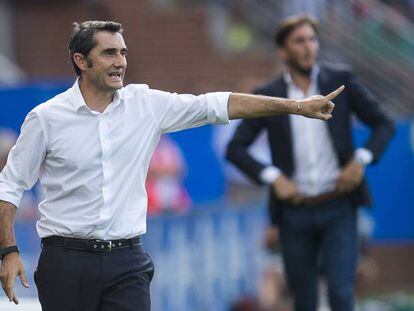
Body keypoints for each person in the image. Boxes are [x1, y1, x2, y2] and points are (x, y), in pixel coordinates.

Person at [0, 20, 342, 311]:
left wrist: (295, 106)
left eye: (123, 53)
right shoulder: (46, 118)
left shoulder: (146, 104)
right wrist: (9, 250)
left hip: (127, 261)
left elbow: (218, 104)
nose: (120, 61)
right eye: (109, 53)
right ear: (81, 61)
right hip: (66, 261)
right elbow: (11, 185)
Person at [226, 15, 395, 311]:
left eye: (312, 40)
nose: (308, 47)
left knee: (342, 295)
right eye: (299, 41)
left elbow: (383, 123)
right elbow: (235, 148)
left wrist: (361, 159)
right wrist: (272, 176)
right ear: (283, 51)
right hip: (295, 212)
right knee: (304, 301)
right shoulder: (271, 95)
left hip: (339, 205)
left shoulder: (341, 83)